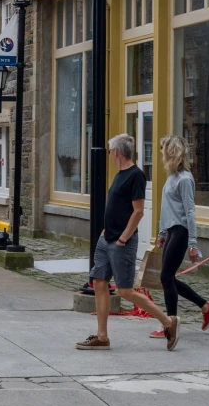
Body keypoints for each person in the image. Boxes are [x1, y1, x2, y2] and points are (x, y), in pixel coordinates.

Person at [77, 134, 179, 351]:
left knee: (125, 291)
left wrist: (123, 238)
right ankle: (102, 336)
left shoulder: (136, 176)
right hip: (107, 240)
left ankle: (168, 322)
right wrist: (108, 230)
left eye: (110, 151)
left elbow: (138, 212)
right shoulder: (119, 174)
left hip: (121, 243)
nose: (110, 155)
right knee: (98, 282)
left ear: (116, 152)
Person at [151, 135, 209, 338]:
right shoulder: (172, 176)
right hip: (171, 231)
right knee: (167, 278)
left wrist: (193, 244)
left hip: (181, 231)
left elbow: (190, 212)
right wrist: (162, 232)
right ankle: (205, 306)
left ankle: (170, 325)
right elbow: (167, 208)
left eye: (163, 148)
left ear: (171, 151)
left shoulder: (185, 179)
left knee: (165, 277)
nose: (160, 152)